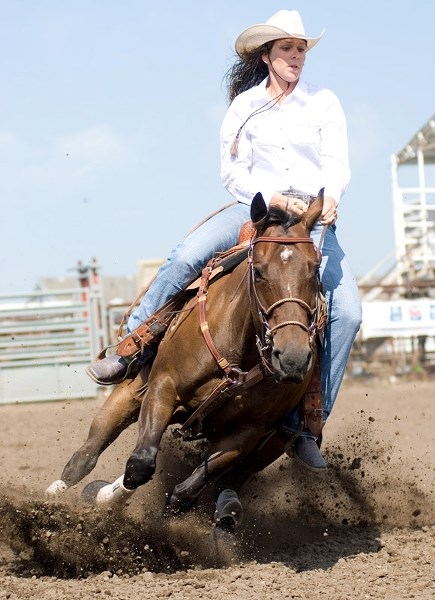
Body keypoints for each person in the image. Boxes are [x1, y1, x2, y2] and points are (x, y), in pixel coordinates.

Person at [87, 9, 362, 471]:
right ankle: (131, 344)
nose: (295, 56)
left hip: (311, 223)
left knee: (349, 314)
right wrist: (270, 196)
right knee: (185, 257)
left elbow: (336, 162)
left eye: (300, 49)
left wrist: (329, 197)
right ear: (267, 55)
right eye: (286, 49)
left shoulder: (324, 103)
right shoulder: (244, 107)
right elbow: (232, 170)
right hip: (256, 210)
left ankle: (304, 422)